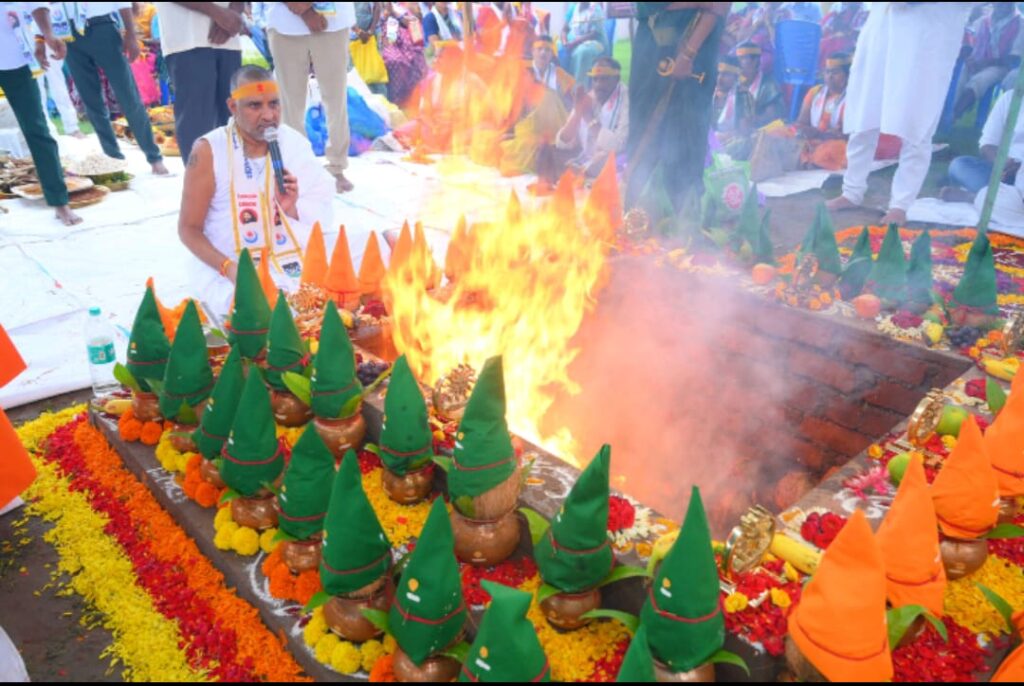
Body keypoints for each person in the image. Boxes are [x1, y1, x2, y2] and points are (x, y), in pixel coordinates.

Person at [177, 66, 335, 315]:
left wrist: (292, 208)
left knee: (370, 251)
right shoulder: (208, 150)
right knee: (256, 310)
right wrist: (229, 268)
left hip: (292, 252)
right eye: (255, 106)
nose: (269, 115)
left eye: (274, 104)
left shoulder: (293, 143)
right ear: (232, 107)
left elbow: (321, 206)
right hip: (228, 262)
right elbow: (188, 229)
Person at [827, 2, 972, 225]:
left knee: (916, 121)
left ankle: (900, 205)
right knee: (864, 114)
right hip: (881, 31)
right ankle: (852, 191)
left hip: (925, 39)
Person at [626, 3, 727, 212]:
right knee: (642, 122)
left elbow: (719, 5)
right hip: (650, 41)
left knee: (684, 127)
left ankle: (683, 214)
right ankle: (638, 211)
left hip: (688, 44)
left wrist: (689, 53)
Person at [62, 1, 168, 174]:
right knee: (91, 100)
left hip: (102, 27)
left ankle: (154, 157)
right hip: (68, 32)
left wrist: (130, 35)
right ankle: (113, 158)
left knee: (128, 95)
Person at [0, 2, 81, 225]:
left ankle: (59, 201)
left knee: (37, 131)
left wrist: (47, 34)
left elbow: (37, 4)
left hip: (16, 62)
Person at [267, 2, 356, 193]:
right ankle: (298, 167)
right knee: (289, 102)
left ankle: (336, 167)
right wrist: (305, 10)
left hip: (333, 22)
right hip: (285, 22)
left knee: (335, 98)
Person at [156, 3, 244, 165]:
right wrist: (218, 13)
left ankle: (233, 185)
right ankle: (199, 186)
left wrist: (233, 13)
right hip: (187, 38)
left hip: (228, 38)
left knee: (235, 119)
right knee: (196, 122)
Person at [537, 56, 628, 183]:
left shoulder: (626, 101)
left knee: (610, 160)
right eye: (595, 79)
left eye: (604, 79)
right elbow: (562, 142)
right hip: (589, 159)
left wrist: (589, 118)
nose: (598, 85)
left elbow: (618, 145)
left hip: (616, 160)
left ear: (616, 79)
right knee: (546, 152)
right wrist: (578, 111)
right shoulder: (590, 97)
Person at [498, 35, 574, 176]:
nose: (543, 53)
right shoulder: (523, 72)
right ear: (533, 52)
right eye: (539, 49)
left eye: (547, 50)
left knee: (548, 96)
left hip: (554, 130)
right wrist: (510, 131)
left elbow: (569, 107)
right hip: (528, 128)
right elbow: (515, 104)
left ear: (552, 54)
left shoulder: (560, 76)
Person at [943, 88, 1024, 201]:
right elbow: (987, 144)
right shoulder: (1011, 98)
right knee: (959, 165)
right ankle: (1001, 199)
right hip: (1004, 173)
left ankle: (975, 198)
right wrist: (1001, 164)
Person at [953, 2, 1023, 121]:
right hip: (977, 62)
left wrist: (985, 63)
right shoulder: (983, 20)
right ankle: (944, 117)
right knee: (959, 77)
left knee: (979, 81)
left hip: (1001, 67)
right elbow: (969, 45)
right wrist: (969, 59)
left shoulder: (1021, 24)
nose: (1002, 5)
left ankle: (955, 115)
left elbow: (1013, 59)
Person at [22, 3, 82, 138]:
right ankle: (46, 129)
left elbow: (45, 7)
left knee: (57, 81)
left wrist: (43, 36)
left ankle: (72, 127)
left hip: (46, 34)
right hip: (22, 38)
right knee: (36, 87)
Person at [795, 52, 850, 171]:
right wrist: (807, 131)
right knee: (780, 135)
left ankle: (812, 161)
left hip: (836, 144)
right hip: (812, 140)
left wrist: (827, 135)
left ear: (847, 75)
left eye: (835, 73)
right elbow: (801, 122)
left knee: (834, 149)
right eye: (827, 72)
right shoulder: (815, 92)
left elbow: (851, 135)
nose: (829, 76)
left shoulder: (853, 97)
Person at [379, 2, 428, 107]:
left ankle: (413, 100)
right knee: (395, 61)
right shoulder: (380, 8)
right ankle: (396, 101)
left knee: (416, 58)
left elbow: (416, 32)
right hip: (389, 41)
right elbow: (389, 40)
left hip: (407, 40)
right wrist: (387, 15)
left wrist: (395, 14)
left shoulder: (404, 7)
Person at [713, 54, 754, 159]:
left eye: (725, 74)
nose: (720, 78)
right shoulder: (709, 94)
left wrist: (722, 137)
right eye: (718, 74)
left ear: (736, 77)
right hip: (710, 142)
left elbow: (744, 131)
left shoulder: (743, 96)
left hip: (732, 143)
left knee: (742, 144)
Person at [736, 41, 783, 128]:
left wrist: (753, 121)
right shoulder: (735, 83)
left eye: (742, 58)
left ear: (755, 61)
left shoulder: (769, 84)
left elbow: (772, 116)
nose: (738, 63)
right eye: (737, 59)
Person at [559, 1, 605, 87]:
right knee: (559, 48)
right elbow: (564, 29)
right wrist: (565, 42)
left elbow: (594, 34)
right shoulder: (573, 7)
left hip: (594, 41)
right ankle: (563, 87)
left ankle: (579, 88)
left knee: (583, 52)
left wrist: (574, 43)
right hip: (572, 40)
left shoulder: (595, 8)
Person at [819, 2, 867, 69]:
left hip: (850, 51)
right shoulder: (836, 9)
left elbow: (858, 34)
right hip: (830, 49)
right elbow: (823, 30)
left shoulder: (864, 11)